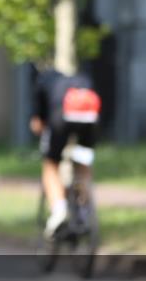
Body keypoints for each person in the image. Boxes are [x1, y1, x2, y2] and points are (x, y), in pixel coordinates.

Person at [30, 67, 102, 238]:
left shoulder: (44, 81)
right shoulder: (82, 79)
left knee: (51, 165)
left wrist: (41, 131)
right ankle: (83, 211)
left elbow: (38, 121)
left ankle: (59, 210)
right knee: (83, 163)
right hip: (89, 120)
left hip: (60, 119)